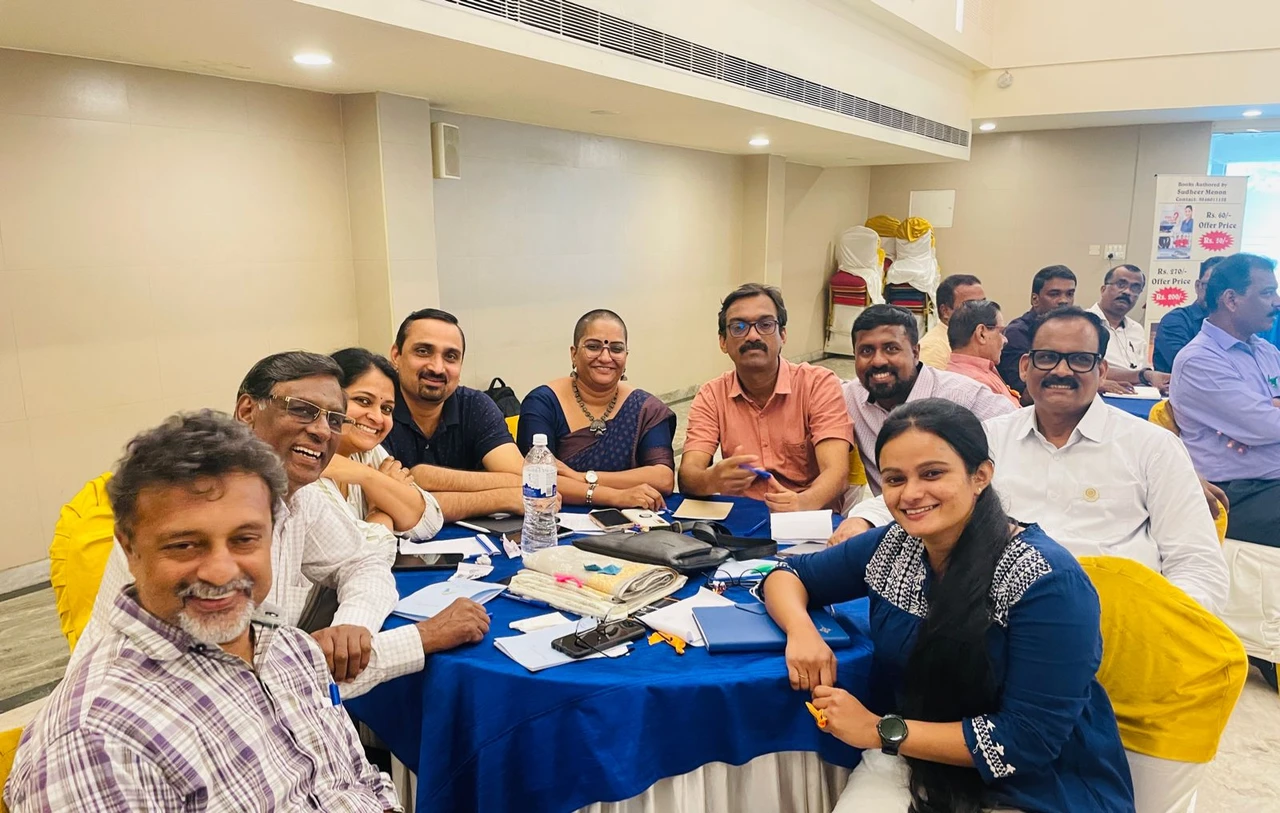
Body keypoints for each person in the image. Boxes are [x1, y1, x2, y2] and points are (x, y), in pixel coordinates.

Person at [5, 411, 405, 811]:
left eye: (245, 539)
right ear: (129, 548)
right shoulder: (97, 745)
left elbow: (357, 782)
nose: (220, 572)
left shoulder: (286, 648)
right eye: (184, 545)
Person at [762, 399, 1134, 813]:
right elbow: (786, 576)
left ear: (981, 475)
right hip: (918, 762)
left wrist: (879, 730)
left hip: (1039, 786)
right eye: (895, 479)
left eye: (932, 473)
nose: (911, 494)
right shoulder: (894, 547)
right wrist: (802, 631)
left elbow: (1025, 741)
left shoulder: (1044, 580)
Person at [75, 352, 490, 697]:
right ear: (247, 411)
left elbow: (363, 560)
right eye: (303, 410)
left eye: (334, 419)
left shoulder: (296, 492)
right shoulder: (194, 500)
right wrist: (422, 637)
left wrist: (353, 628)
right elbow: (261, 686)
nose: (321, 431)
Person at [837, 307, 1229, 614]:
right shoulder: (991, 438)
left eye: (1079, 360)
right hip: (995, 621)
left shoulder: (1153, 447)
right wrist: (863, 518)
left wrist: (1162, 630)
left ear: (1101, 370)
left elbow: (1196, 564)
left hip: (1118, 624)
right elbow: (925, 486)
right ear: (1025, 366)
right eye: (1047, 358)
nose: (1061, 370)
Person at [680, 283, 853, 512]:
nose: (752, 335)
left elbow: (837, 473)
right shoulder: (712, 395)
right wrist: (711, 479)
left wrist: (802, 503)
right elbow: (688, 475)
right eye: (738, 327)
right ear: (723, 342)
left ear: (783, 335)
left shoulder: (817, 384)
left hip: (808, 517)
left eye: (765, 325)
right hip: (742, 519)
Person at [844, 304, 1017, 495]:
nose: (878, 361)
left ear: (916, 353)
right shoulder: (851, 397)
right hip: (889, 511)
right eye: (866, 351)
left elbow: (1021, 438)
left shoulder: (965, 397)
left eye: (891, 349)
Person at [1171, 252, 1280, 549]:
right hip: (1237, 493)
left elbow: (1264, 422)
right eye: (1267, 293)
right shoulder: (1199, 360)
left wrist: (1264, 412)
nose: (1277, 302)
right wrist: (1266, 410)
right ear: (1231, 300)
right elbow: (1264, 426)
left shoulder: (1265, 351)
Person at [518, 309, 675, 510]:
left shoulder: (646, 408)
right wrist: (614, 495)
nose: (605, 357)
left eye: (616, 349)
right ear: (574, 354)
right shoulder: (543, 403)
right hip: (557, 515)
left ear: (626, 356)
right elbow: (536, 478)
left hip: (632, 516)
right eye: (593, 346)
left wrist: (584, 477)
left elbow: (663, 478)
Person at [384, 308, 527, 521]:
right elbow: (388, 501)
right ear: (396, 356)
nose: (437, 368)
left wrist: (426, 477)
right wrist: (500, 497)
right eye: (423, 351)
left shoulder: (475, 405)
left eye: (450, 356)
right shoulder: (377, 410)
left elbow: (523, 481)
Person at [321, 347, 444, 540]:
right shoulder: (306, 462)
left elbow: (430, 522)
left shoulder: (367, 453)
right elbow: (363, 554)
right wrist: (380, 509)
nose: (378, 418)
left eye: (387, 409)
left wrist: (368, 477)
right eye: (363, 401)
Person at [1087, 264, 1170, 393]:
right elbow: (1084, 368)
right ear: (1103, 289)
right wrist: (1144, 375)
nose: (1127, 292)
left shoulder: (1136, 329)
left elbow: (1142, 367)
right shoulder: (1083, 323)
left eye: (1135, 288)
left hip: (1138, 394)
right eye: (1121, 284)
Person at [998, 265, 1076, 392]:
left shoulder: (1071, 330)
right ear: (1035, 300)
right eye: (1054, 294)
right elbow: (1024, 393)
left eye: (1070, 294)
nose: (1064, 300)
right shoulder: (1017, 333)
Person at [1153, 256, 1227, 373]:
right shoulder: (1176, 320)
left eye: (1222, 288)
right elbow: (1190, 367)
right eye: (1210, 286)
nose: (1214, 293)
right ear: (1198, 286)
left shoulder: (1236, 325)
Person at [945, 300, 1019, 406]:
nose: (1005, 340)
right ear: (981, 334)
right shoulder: (976, 385)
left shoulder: (960, 373)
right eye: (1001, 332)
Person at [918, 274, 985, 370]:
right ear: (945, 311)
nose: (981, 310)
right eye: (971, 305)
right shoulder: (933, 348)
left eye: (983, 303)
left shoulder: (978, 338)